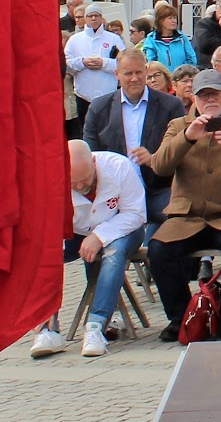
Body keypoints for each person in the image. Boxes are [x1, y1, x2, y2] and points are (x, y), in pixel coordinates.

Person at [145, 69, 221, 342]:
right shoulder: (178, 126)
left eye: (215, 93)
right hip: (187, 216)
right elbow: (159, 167)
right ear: (193, 99)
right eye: (204, 95)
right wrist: (187, 137)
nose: (210, 100)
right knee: (158, 249)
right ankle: (181, 318)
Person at [31, 140, 148, 359]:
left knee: (113, 254)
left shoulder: (119, 166)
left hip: (122, 227)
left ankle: (96, 326)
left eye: (84, 180)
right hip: (76, 231)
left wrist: (99, 236)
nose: (79, 187)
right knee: (45, 256)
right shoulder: (51, 180)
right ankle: (47, 326)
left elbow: (135, 213)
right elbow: (48, 228)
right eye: (73, 183)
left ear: (94, 162)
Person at [82, 49, 187, 223]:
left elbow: (182, 149)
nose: (134, 78)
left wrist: (154, 159)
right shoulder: (99, 108)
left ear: (146, 71)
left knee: (178, 221)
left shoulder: (171, 105)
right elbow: (91, 155)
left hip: (159, 189)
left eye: (139, 72)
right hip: (114, 195)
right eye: (128, 73)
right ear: (117, 74)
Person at [64, 5, 125, 124]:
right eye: (90, 16)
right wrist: (83, 62)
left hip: (108, 95)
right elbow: (67, 64)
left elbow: (123, 63)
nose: (93, 18)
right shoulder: (74, 40)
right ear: (85, 18)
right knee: (85, 129)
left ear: (101, 18)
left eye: (96, 15)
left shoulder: (114, 39)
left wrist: (103, 63)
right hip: (83, 95)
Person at [142, 4, 197, 76]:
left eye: (175, 18)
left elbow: (192, 59)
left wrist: (181, 74)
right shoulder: (151, 40)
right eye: (170, 18)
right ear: (160, 21)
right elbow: (151, 63)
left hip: (181, 78)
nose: (174, 21)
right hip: (161, 79)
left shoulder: (183, 38)